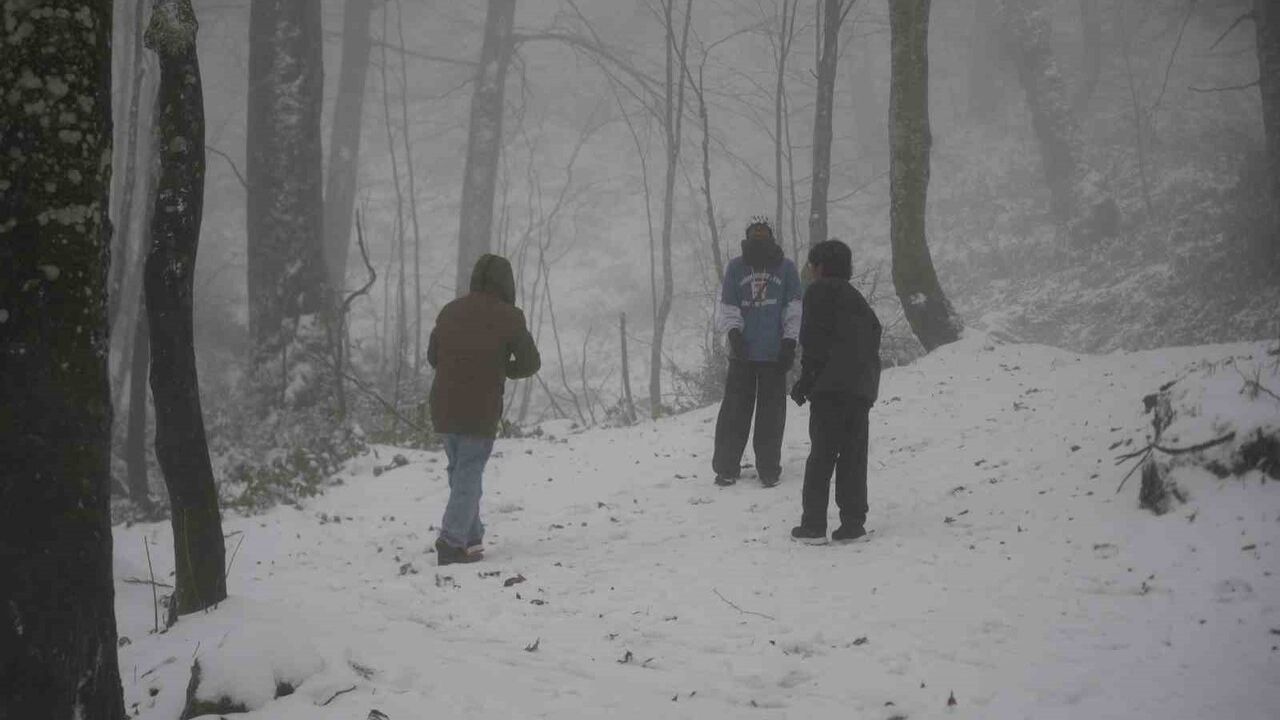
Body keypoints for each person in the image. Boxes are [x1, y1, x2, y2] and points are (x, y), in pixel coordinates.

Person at [427, 254, 541, 565]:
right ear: (507, 283)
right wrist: (502, 368)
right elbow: (531, 363)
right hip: (480, 407)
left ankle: (471, 539)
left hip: (444, 405)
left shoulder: (449, 312)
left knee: (460, 471)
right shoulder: (509, 317)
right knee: (468, 473)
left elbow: (433, 357)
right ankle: (451, 541)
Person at [788, 239, 882, 543]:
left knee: (822, 455)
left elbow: (814, 341)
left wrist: (806, 381)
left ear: (820, 267)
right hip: (861, 388)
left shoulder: (818, 292)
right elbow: (874, 333)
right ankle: (852, 524)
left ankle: (813, 525)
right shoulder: (858, 300)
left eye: (812, 266)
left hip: (830, 388)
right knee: (853, 456)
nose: (810, 272)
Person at [712, 218, 802, 487]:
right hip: (742, 355)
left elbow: (793, 307)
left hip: (774, 354)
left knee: (771, 415)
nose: (760, 238)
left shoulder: (786, 268)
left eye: (764, 234)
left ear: (771, 237)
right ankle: (727, 467)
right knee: (734, 413)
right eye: (755, 234)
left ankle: (769, 469)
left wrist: (789, 341)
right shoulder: (736, 268)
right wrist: (734, 333)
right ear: (748, 237)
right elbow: (729, 306)